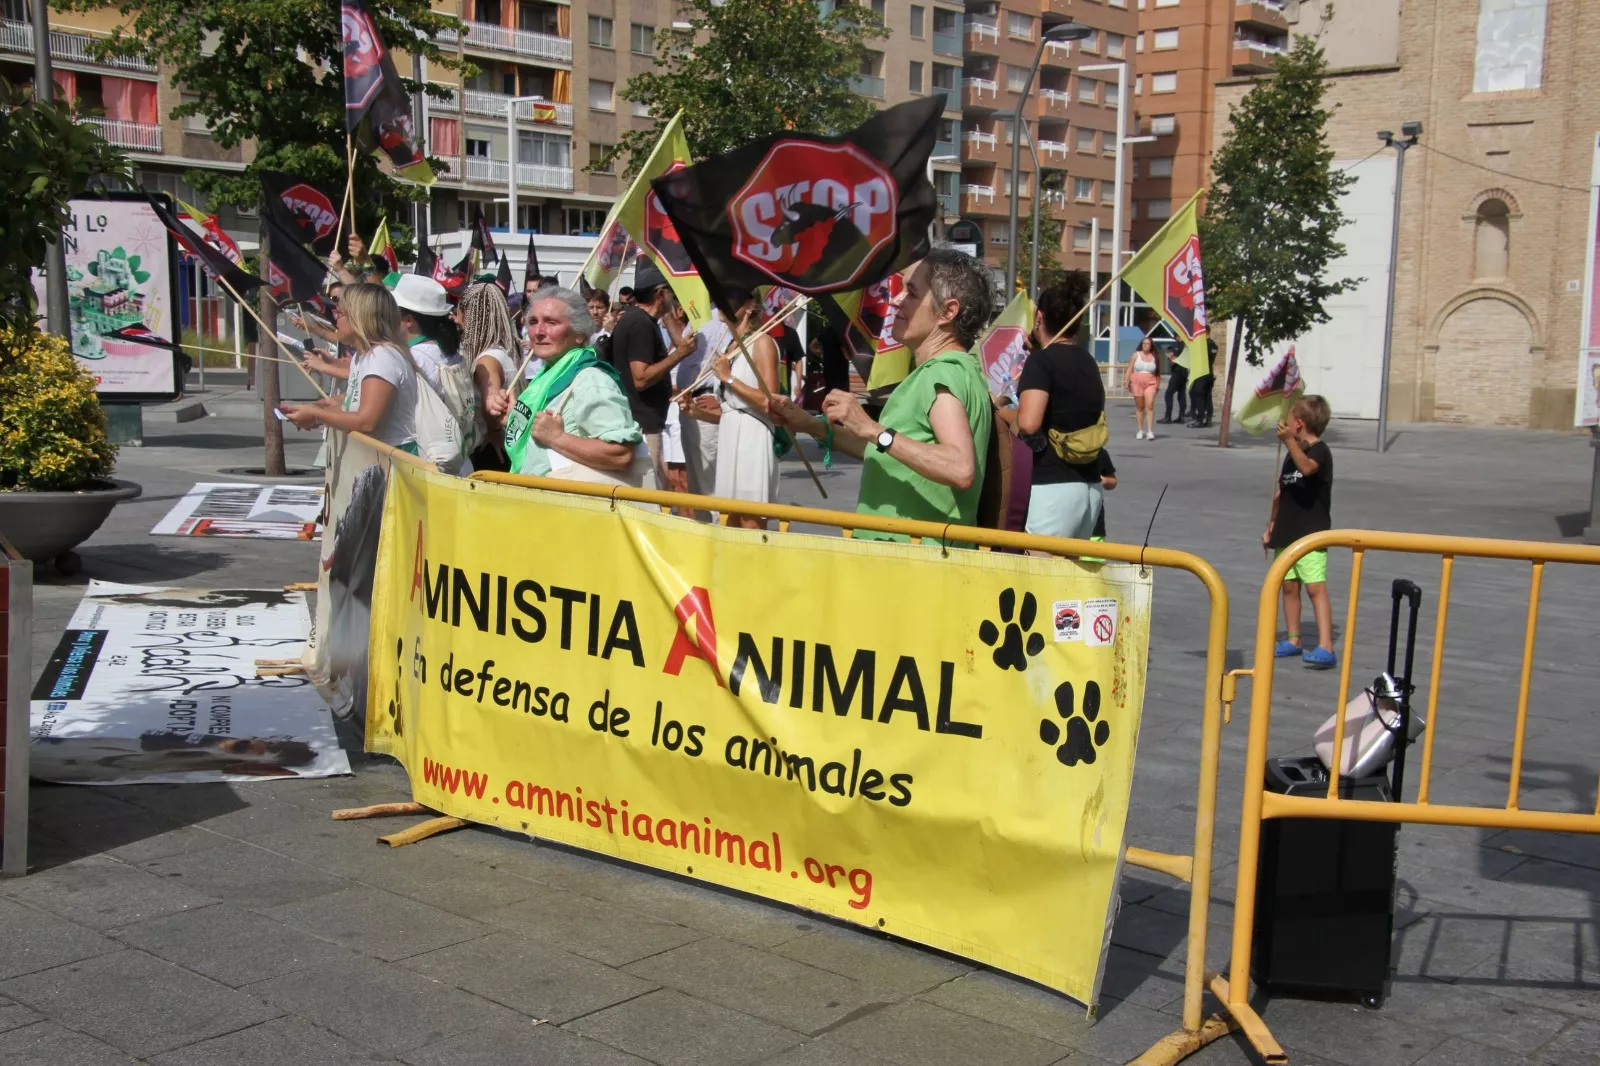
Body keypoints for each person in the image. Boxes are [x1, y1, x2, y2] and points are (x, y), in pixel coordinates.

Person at [770, 249, 993, 544]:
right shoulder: (944, 371)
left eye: (912, 293)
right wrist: (809, 424)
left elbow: (959, 467)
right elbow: (887, 451)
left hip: (916, 557)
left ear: (947, 312)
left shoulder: (943, 372)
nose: (896, 300)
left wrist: (873, 429)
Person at [504, 287, 654, 488]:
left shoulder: (591, 379)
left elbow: (621, 454)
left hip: (569, 503)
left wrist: (558, 438)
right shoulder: (548, 375)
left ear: (580, 334)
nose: (538, 332)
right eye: (533, 322)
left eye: (551, 322)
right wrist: (514, 419)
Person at [1015, 281, 1107, 541]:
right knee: (1070, 565)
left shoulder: (1041, 362)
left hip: (1052, 486)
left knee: (1039, 564)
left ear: (1039, 317)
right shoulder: (1088, 361)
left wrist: (1001, 412)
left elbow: (1029, 424)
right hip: (1089, 485)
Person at [282, 282, 418, 451]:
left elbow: (366, 422)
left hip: (398, 456)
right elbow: (351, 404)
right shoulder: (364, 356)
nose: (335, 319)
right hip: (380, 455)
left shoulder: (381, 357)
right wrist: (316, 411)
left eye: (340, 313)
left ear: (358, 318)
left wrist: (317, 415)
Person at [608, 260, 694, 489]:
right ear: (660, 294)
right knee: (648, 490)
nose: (674, 299)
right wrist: (679, 355)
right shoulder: (641, 324)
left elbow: (679, 343)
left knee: (658, 485)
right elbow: (641, 378)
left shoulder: (643, 319)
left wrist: (667, 317)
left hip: (645, 420)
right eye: (671, 293)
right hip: (642, 422)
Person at [1266, 395, 1336, 670]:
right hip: (1287, 530)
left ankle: (1326, 645)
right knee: (1288, 586)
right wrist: (1270, 526)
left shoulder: (1319, 451)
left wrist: (1289, 442)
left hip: (1311, 532)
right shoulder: (1291, 454)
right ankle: (1293, 638)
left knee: (1315, 587)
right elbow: (1281, 494)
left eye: (1290, 417)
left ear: (1300, 423)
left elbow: (1307, 469)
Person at [710, 291, 782, 528]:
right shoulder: (729, 345)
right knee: (728, 516)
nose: (720, 305)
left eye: (728, 298)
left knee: (751, 518)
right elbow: (731, 406)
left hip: (753, 434)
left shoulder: (762, 342)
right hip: (729, 433)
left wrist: (729, 378)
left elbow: (770, 402)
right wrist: (696, 411)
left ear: (749, 305)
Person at [456, 282, 520, 472]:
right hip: (503, 442)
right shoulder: (504, 351)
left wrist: (493, 431)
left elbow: (490, 403)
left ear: (466, 315)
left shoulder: (488, 360)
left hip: (491, 447)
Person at [1125, 336, 1161, 440]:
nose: (1145, 345)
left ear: (1151, 346)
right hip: (1137, 382)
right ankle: (1140, 430)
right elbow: (1129, 368)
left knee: (1149, 406)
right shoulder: (1136, 355)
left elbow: (1158, 372)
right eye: (1144, 343)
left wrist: (1157, 385)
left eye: (1147, 344)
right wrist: (1126, 381)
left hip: (1151, 383)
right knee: (1140, 407)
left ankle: (1150, 431)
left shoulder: (1155, 356)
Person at [1188, 338, 1218, 427]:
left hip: (1201, 373)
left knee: (1198, 396)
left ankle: (1199, 420)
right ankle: (1208, 419)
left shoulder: (1203, 344)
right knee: (1208, 397)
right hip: (1209, 373)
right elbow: (1211, 359)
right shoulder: (1214, 345)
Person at [1159, 343, 1189, 425]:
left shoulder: (1177, 346)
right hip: (1184, 372)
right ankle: (1181, 416)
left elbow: (1174, 361)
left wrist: (1170, 357)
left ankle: (1168, 417)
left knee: (1168, 394)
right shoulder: (1186, 346)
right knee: (1181, 394)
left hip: (1177, 373)